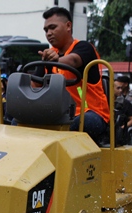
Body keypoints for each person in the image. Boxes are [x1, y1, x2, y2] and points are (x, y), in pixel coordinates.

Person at [39, 7, 110, 143]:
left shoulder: (84, 48)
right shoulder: (48, 55)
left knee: (82, 122)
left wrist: (56, 61)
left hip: (90, 112)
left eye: (52, 28)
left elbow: (74, 60)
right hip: (58, 115)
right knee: (18, 120)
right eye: (46, 30)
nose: (48, 33)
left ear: (68, 26)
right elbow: (34, 84)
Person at [113, 77, 132, 146]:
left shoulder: (125, 103)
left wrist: (122, 127)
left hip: (120, 137)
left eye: (121, 88)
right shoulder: (104, 102)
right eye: (118, 88)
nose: (120, 90)